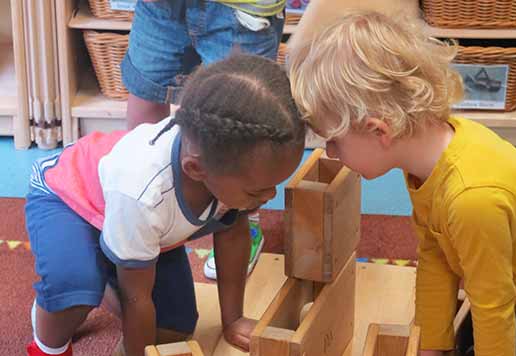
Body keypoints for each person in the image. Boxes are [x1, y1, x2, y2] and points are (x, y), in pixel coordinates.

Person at [288, 11, 516, 356]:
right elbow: (435, 256)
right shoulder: (427, 158)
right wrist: (430, 346)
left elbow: (492, 303)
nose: (330, 153)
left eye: (334, 140)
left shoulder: (472, 198)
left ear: (380, 131)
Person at [26, 54, 306, 356]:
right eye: (257, 191)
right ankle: (49, 343)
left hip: (136, 223)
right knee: (74, 289)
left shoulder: (228, 164)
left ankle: (107, 267)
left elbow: (233, 236)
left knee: (174, 328)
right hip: (68, 197)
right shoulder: (146, 193)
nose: (270, 196)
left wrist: (233, 319)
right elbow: (137, 298)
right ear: (196, 170)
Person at [121, 0, 287, 280]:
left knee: (243, 108)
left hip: (243, 9)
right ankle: (138, 204)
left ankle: (244, 220)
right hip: (161, 8)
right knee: (146, 90)